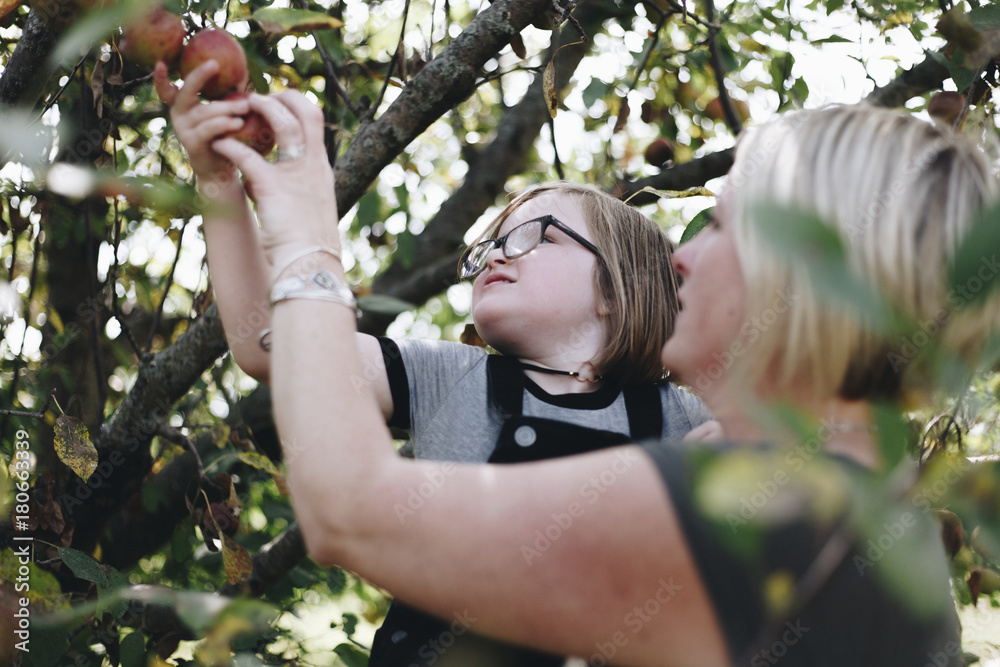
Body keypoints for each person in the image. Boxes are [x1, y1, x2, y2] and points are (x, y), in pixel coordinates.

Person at [205, 97, 1000, 665]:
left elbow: (349, 510)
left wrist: (308, 239)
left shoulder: (756, 509)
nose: (679, 254)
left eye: (721, 223)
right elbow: (264, 349)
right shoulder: (855, 517)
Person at [154, 62, 715, 665]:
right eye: (495, 241)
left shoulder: (680, 417)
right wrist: (217, 181)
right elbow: (269, 340)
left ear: (617, 290)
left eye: (540, 235)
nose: (501, 250)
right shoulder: (450, 375)